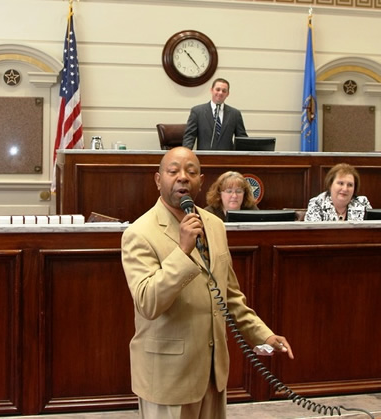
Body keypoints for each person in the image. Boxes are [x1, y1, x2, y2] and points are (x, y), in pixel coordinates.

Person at [121, 146, 293, 418]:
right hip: (168, 377)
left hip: (212, 375)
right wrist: (182, 251)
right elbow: (148, 302)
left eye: (191, 172)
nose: (182, 178)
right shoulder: (139, 233)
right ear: (158, 180)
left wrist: (263, 335)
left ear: (201, 181)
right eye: (173, 171)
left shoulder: (214, 225)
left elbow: (230, 295)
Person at [182, 78, 248, 151]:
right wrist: (185, 154)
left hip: (228, 158)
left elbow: (242, 140)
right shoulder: (197, 111)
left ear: (227, 94)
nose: (220, 93)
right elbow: (189, 136)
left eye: (224, 91)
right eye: (218, 89)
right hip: (205, 158)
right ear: (211, 90)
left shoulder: (235, 114)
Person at [304, 162, 371, 222]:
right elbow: (312, 234)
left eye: (350, 185)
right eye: (341, 183)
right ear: (330, 184)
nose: (345, 189)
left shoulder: (362, 203)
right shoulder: (316, 204)